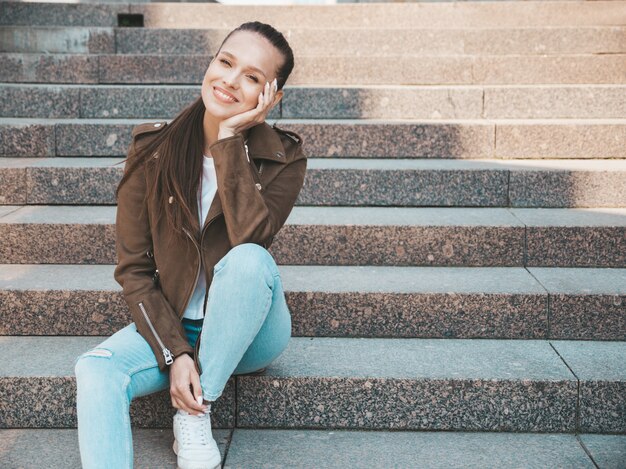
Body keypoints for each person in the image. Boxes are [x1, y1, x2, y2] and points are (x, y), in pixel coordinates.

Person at [73, 21, 307, 469]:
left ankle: (195, 412)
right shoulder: (152, 149)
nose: (231, 81)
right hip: (176, 320)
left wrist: (229, 142)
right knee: (96, 369)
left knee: (250, 260)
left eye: (253, 78)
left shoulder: (283, 158)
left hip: (249, 331)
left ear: (270, 98)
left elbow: (251, 239)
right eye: (226, 62)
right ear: (210, 62)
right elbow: (134, 271)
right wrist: (175, 351)